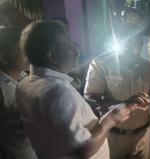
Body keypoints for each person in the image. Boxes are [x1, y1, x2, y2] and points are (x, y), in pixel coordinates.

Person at [16, 20, 143, 159]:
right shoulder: (58, 93)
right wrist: (110, 120)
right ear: (52, 56)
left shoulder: (23, 85)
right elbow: (85, 149)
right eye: (70, 45)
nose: (77, 50)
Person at [84, 23, 150, 159]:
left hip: (142, 137)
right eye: (128, 41)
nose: (133, 47)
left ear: (141, 44)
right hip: (113, 137)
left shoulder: (149, 68)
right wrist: (123, 105)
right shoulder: (101, 64)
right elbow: (90, 98)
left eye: (137, 42)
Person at [0, 26, 37, 159]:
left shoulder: (25, 78)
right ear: (2, 54)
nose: (28, 53)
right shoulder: (2, 90)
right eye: (21, 49)